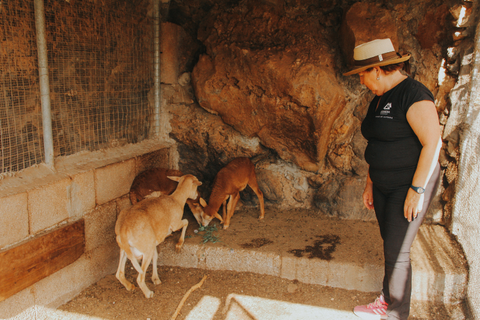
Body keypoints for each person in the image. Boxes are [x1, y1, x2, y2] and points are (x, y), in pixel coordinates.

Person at [343, 38, 442, 320]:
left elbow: (433, 142)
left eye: (362, 73)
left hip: (408, 183)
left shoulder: (413, 94)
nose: (360, 80)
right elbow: (378, 144)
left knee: (397, 251)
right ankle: (387, 300)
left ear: (377, 69)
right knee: (391, 243)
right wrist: (370, 183)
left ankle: (396, 313)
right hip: (384, 184)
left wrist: (416, 189)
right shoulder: (378, 98)